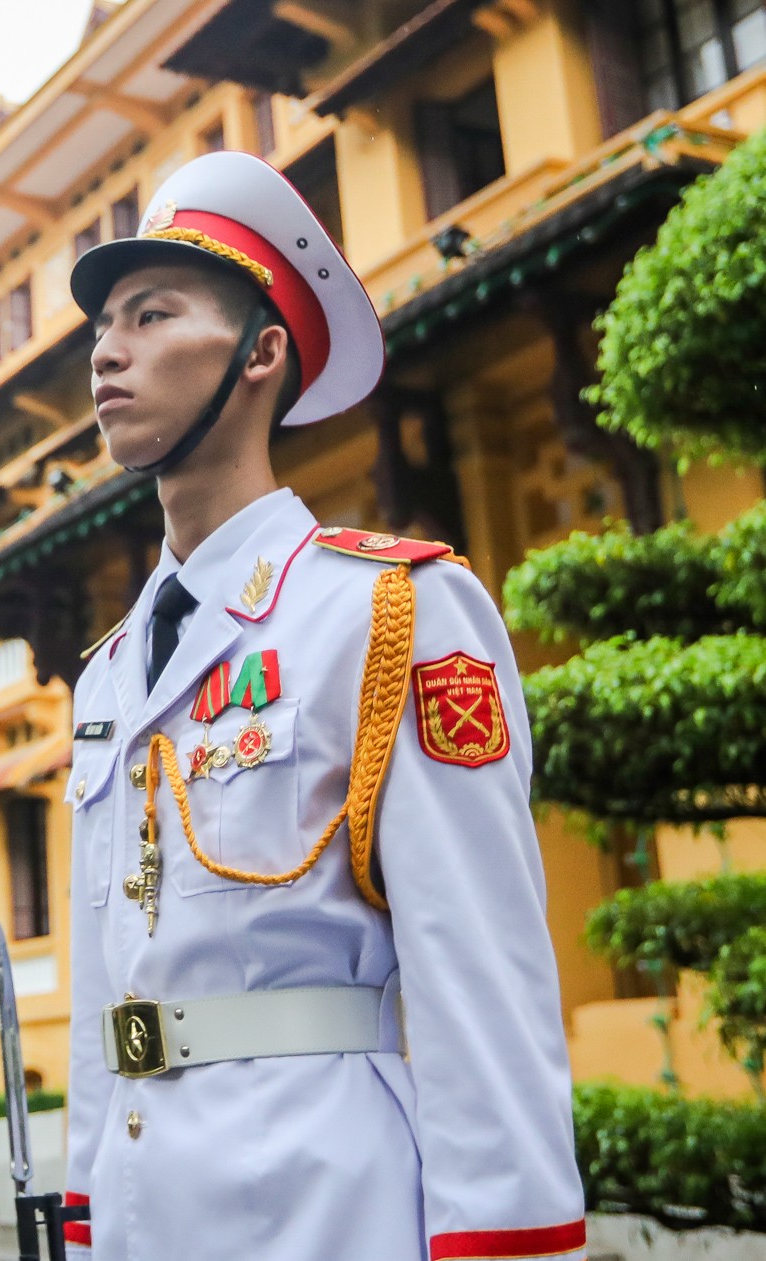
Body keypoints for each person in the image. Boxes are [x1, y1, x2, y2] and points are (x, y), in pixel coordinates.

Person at [58, 152, 585, 1261]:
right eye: (104, 325)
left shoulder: (389, 609)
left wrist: (510, 1241)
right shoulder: (105, 676)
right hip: (144, 1204)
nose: (108, 350)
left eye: (152, 315)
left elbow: (476, 966)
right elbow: (105, 992)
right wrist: (84, 1211)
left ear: (259, 353)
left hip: (322, 1201)